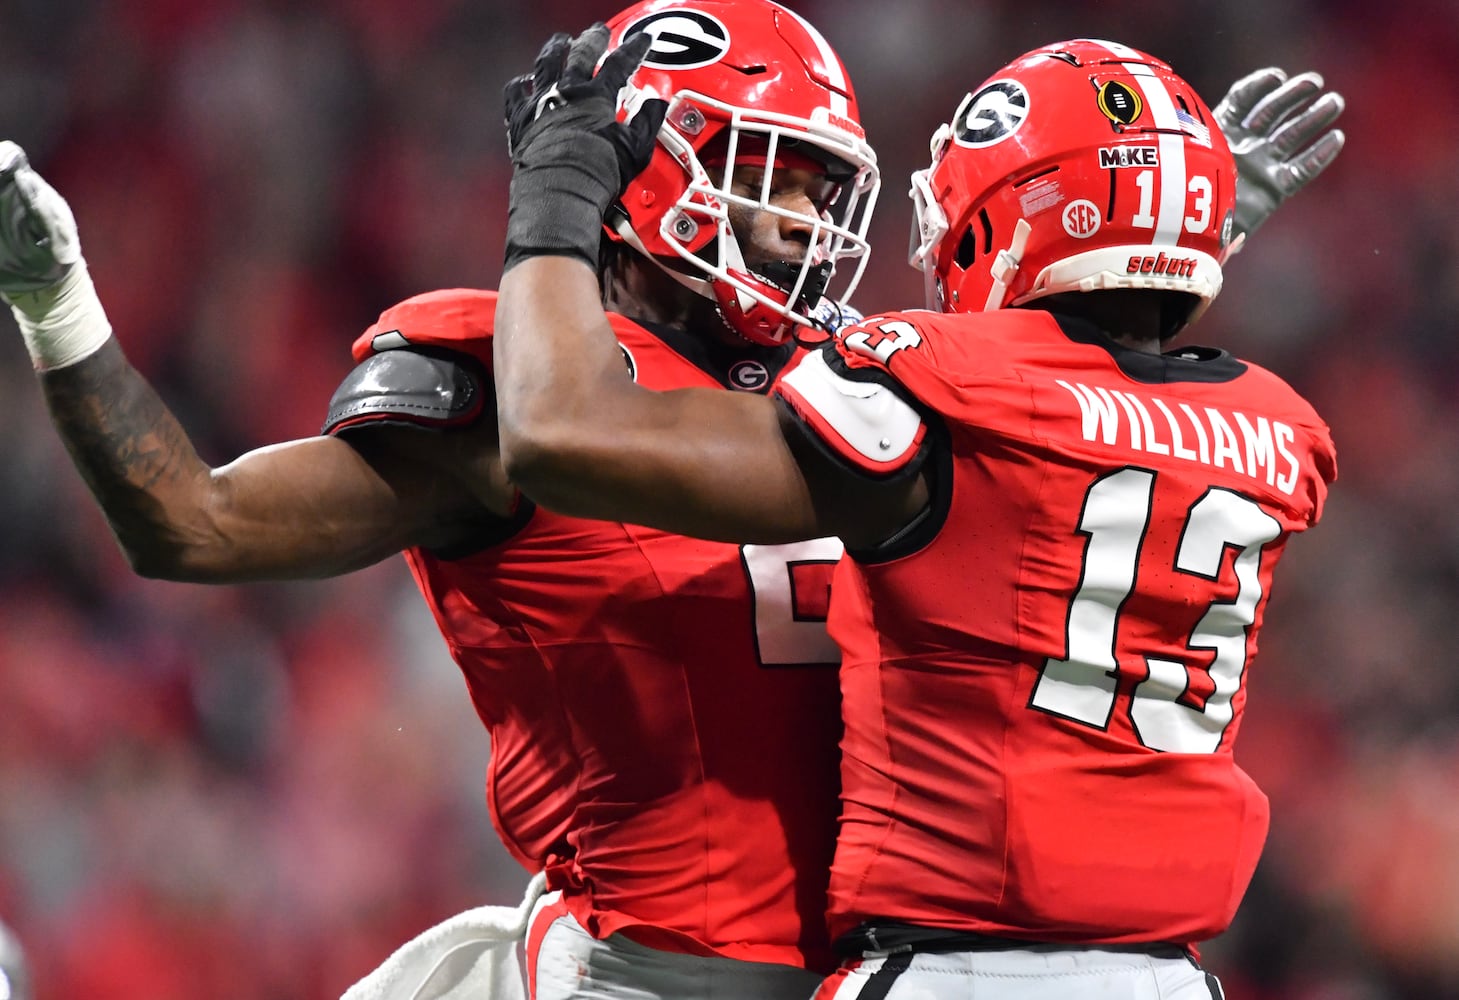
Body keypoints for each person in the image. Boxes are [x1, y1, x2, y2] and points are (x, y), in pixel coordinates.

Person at [0, 5, 1339, 997]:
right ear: (634, 167)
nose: (806, 222)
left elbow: (1046, 416)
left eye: (823, 184)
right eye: (771, 173)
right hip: (652, 978)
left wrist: (1139, 248)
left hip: (889, 971)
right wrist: (61, 303)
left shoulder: (861, 377)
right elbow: (188, 521)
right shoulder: (509, 386)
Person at [493, 30, 1338, 1000]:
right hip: (1168, 977)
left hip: (954, 969)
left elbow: (558, 429)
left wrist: (556, 194)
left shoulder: (938, 394)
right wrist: (1161, 227)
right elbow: (1098, 403)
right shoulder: (1273, 426)